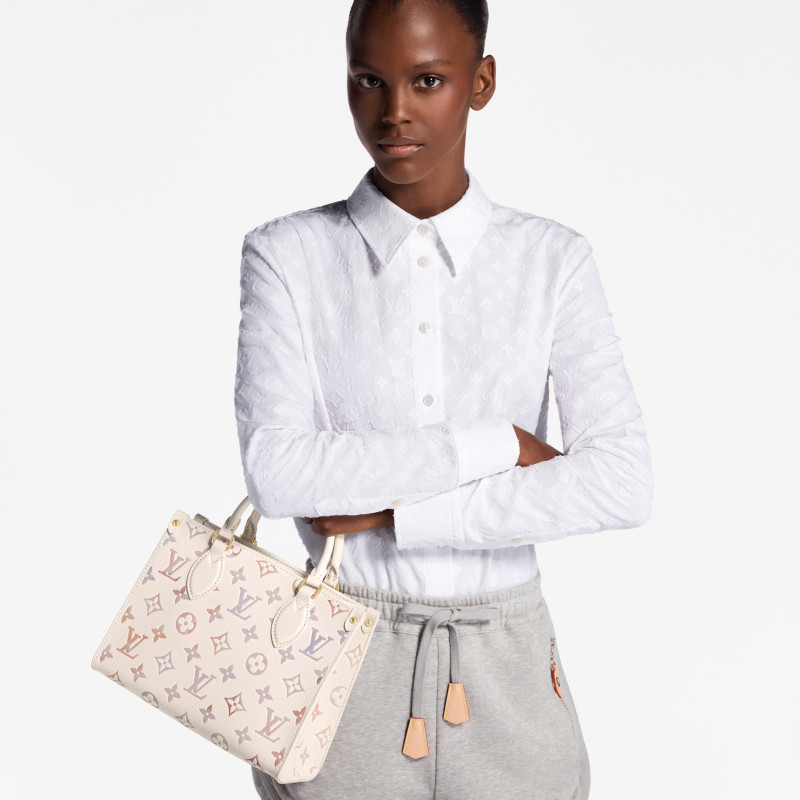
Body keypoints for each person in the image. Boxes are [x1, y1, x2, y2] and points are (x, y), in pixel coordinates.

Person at [234, 0, 653, 798]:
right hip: (336, 664)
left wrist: (393, 516)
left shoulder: (552, 261)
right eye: (369, 80)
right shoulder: (287, 256)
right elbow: (280, 474)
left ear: (480, 82)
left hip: (509, 665)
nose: (394, 111)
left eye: (427, 80)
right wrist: (500, 444)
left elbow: (621, 483)